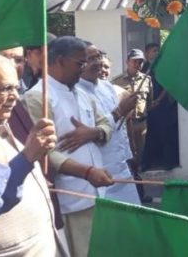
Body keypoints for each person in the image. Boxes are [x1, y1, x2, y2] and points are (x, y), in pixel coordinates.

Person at [23, 36, 114, 257]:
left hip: (98, 191)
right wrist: (87, 172)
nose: (84, 69)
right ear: (61, 61)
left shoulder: (81, 92)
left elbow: (106, 122)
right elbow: (43, 152)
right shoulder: (38, 97)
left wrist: (94, 133)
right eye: (79, 63)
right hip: (71, 197)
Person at [0, 54, 63, 255]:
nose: (14, 95)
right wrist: (27, 158)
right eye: (5, 88)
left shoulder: (2, 121)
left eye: (16, 87)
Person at [77, 44, 140, 204]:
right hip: (98, 172)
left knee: (133, 219)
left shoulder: (107, 87)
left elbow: (121, 129)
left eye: (98, 56)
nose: (98, 62)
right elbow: (92, 132)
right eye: (91, 59)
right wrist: (121, 110)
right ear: (79, 63)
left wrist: (128, 156)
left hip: (121, 167)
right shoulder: (76, 92)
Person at [112, 48, 153, 202]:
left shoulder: (147, 80)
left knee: (139, 158)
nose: (138, 64)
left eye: (141, 61)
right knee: (128, 158)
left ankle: (139, 192)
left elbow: (149, 102)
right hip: (123, 126)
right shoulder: (116, 82)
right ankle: (133, 192)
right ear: (127, 62)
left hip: (141, 125)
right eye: (135, 61)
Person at [141, 43, 180, 171]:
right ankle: (146, 163)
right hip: (147, 108)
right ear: (146, 53)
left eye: (157, 51)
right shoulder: (143, 68)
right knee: (148, 136)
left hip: (162, 106)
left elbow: (166, 85)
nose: (156, 53)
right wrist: (148, 103)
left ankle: (169, 162)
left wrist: (158, 100)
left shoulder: (162, 67)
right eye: (153, 51)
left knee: (166, 135)